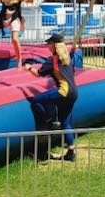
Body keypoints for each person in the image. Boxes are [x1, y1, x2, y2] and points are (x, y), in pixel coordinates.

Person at [25, 33, 78, 161]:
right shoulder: (68, 58)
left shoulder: (52, 59)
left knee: (36, 101)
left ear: (54, 45)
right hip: (74, 92)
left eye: (49, 44)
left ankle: (49, 119)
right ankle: (71, 152)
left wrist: (28, 67)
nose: (47, 46)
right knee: (66, 122)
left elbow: (39, 74)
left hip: (64, 91)